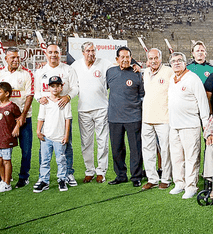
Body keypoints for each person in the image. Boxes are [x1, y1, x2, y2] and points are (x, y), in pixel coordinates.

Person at [33, 44, 79, 187]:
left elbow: (75, 87)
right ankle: (43, 177)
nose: (53, 55)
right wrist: (40, 99)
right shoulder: (41, 71)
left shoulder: (68, 70)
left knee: (67, 143)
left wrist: (68, 97)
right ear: (46, 54)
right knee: (44, 146)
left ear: (61, 54)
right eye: (50, 52)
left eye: (56, 52)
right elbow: (37, 91)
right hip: (47, 112)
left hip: (62, 110)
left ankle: (68, 173)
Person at [167, 52, 210, 199]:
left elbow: (203, 103)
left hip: (190, 125)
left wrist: (206, 126)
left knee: (192, 157)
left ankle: (191, 186)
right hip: (174, 125)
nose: (176, 63)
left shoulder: (193, 79)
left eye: (179, 60)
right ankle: (180, 183)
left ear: (185, 62)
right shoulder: (172, 79)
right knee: (177, 157)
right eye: (173, 61)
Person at [0, 47, 34, 188]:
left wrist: (22, 116)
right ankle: (3, 177)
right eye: (13, 58)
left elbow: (30, 95)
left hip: (23, 118)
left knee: (26, 149)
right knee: (0, 149)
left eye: (18, 57)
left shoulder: (27, 73)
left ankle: (24, 176)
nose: (16, 60)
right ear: (6, 59)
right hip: (4, 120)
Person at [71, 41, 112, 183]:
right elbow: (72, 85)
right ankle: (89, 170)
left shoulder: (105, 63)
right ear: (83, 52)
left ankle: (101, 171)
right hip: (84, 110)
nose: (91, 53)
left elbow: (119, 70)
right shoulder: (75, 66)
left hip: (101, 108)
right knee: (86, 142)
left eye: (93, 50)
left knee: (103, 141)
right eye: (88, 51)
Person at [106, 46, 145, 187]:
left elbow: (142, 95)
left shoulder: (137, 73)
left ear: (131, 57)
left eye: (127, 57)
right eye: (122, 57)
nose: (125, 59)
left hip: (133, 117)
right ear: (117, 59)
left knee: (135, 149)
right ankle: (121, 175)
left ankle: (136, 177)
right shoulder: (110, 72)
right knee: (117, 149)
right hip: (114, 118)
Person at [141, 48, 174, 190]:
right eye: (150, 58)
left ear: (161, 58)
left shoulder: (169, 72)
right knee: (147, 149)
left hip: (164, 118)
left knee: (166, 149)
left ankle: (166, 178)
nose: (153, 61)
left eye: (155, 58)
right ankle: (152, 179)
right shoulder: (146, 72)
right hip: (147, 117)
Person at [34, 76, 73, 193]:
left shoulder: (64, 102)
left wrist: (66, 136)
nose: (55, 88)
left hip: (59, 137)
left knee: (61, 159)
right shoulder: (45, 101)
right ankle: (44, 180)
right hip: (47, 137)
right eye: (52, 86)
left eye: (57, 86)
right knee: (45, 159)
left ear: (61, 87)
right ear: (48, 87)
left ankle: (62, 179)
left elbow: (68, 120)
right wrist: (38, 131)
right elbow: (41, 118)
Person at [0, 82, 22, 194]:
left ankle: (7, 183)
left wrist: (17, 127)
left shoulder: (12, 106)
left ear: (7, 93)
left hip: (8, 138)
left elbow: (20, 118)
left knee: (6, 161)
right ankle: (3, 180)